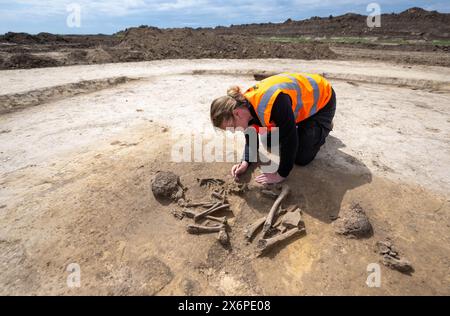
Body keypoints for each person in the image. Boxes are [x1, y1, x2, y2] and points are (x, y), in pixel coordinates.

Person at [210, 72, 336, 185]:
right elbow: (251, 138)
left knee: (301, 158)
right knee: (269, 141)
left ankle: (324, 127)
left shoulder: (273, 102)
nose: (233, 131)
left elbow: (290, 140)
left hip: (321, 102)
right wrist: (245, 161)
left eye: (231, 127)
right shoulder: (244, 108)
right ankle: (294, 124)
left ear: (237, 113)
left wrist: (280, 175)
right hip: (294, 108)